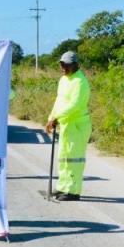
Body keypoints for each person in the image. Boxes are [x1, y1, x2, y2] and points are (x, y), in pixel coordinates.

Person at [45, 51, 91, 202]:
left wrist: (57, 117)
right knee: (63, 158)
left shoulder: (80, 82)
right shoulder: (63, 80)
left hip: (77, 126)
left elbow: (75, 105)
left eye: (67, 65)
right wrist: (51, 117)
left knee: (74, 159)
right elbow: (59, 101)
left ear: (76, 65)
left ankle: (73, 191)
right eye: (62, 64)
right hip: (65, 124)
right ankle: (63, 186)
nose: (63, 68)